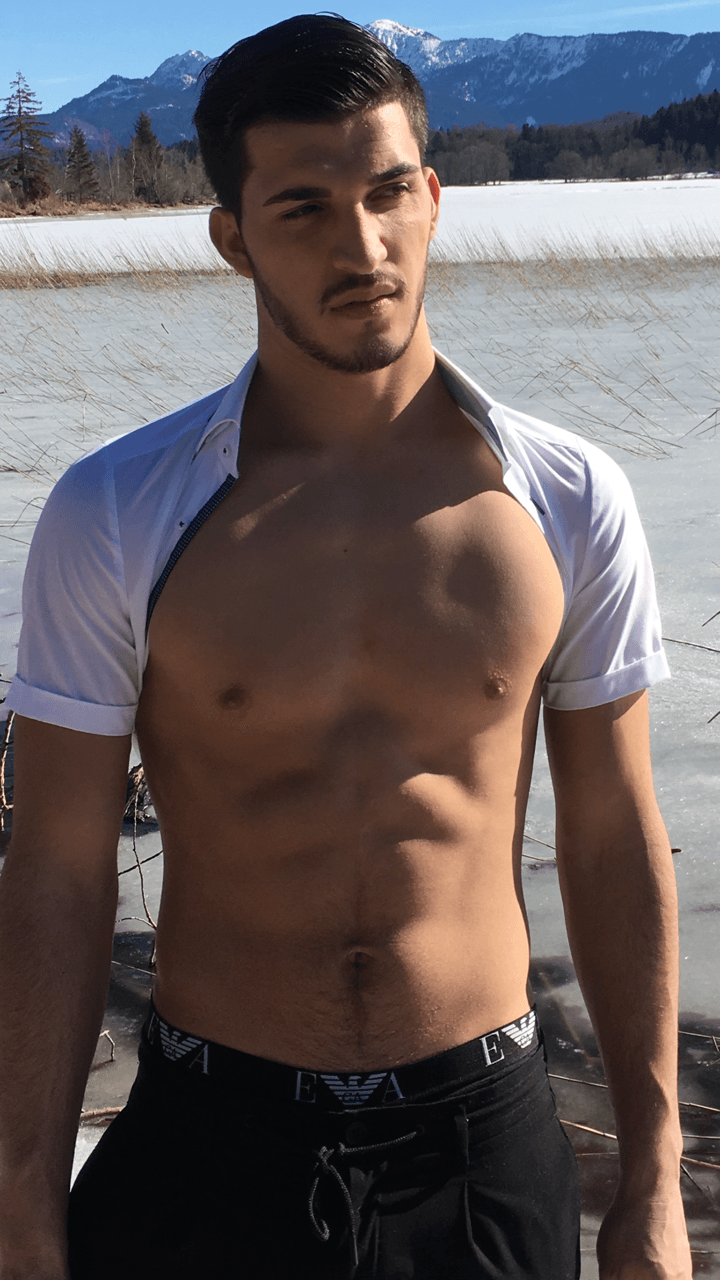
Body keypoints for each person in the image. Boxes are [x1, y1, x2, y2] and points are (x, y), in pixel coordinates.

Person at [0, 15, 691, 1280]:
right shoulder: (120, 509)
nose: (361, 246)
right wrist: (23, 1197)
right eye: (304, 208)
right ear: (232, 237)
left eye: (385, 194)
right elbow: (55, 869)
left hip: (481, 1148)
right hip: (210, 1142)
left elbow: (612, 832)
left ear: (432, 198)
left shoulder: (564, 497)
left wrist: (652, 1172)